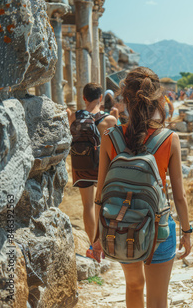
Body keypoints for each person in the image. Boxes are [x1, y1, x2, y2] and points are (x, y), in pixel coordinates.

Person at [92, 67, 191, 307]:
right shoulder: (170, 139)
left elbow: (100, 194)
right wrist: (186, 234)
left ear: (125, 99)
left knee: (134, 286)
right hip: (158, 227)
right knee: (157, 301)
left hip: (121, 226)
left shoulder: (109, 136)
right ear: (158, 100)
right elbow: (179, 197)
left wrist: (97, 236)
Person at [66, 83, 117, 257]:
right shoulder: (109, 120)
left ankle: (92, 246)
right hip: (103, 167)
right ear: (101, 98)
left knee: (87, 206)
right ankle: (105, 245)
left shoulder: (74, 117)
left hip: (82, 165)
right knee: (104, 205)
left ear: (84, 98)